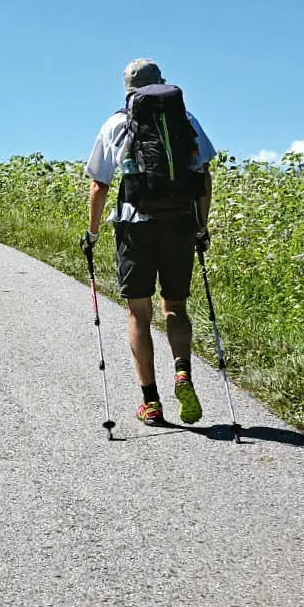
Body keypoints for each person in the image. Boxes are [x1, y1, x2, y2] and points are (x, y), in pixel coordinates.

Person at [83, 59, 215, 426]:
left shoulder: (116, 123)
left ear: (127, 89)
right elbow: (203, 177)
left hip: (134, 226)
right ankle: (183, 372)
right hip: (180, 225)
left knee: (139, 312)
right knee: (175, 307)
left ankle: (151, 402)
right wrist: (200, 228)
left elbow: (99, 185)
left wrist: (92, 234)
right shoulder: (185, 120)